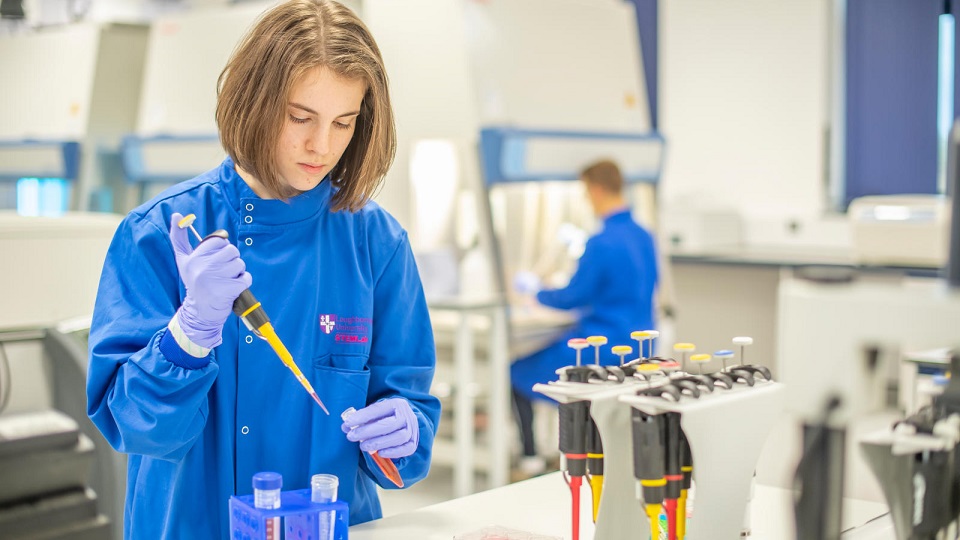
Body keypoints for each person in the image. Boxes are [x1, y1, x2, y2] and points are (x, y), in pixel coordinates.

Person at [85, 1, 440, 537]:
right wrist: (187, 335)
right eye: (300, 117)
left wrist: (406, 427)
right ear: (254, 102)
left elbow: (407, 404)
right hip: (190, 524)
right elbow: (133, 426)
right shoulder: (162, 232)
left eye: (343, 123)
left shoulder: (376, 242)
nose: (321, 146)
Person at [510, 159, 658, 476]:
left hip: (602, 345)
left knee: (517, 374)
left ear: (597, 189)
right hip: (639, 347)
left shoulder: (602, 242)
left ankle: (531, 458)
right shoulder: (644, 236)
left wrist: (537, 291)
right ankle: (561, 450)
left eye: (586, 192)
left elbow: (572, 296)